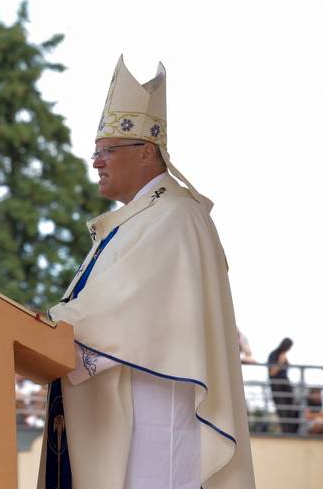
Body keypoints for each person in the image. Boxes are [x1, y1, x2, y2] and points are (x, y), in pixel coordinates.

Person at [38, 56, 255, 489]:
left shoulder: (175, 216)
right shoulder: (136, 221)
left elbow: (124, 306)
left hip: (155, 415)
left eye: (105, 151)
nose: (96, 162)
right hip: (126, 409)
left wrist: (50, 324)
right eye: (95, 152)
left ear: (146, 152)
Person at [267, 337, 296, 433]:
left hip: (285, 386)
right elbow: (272, 373)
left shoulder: (284, 356)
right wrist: (280, 362)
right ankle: (286, 431)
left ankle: (291, 431)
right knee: (282, 411)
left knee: (291, 410)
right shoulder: (274, 355)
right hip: (277, 387)